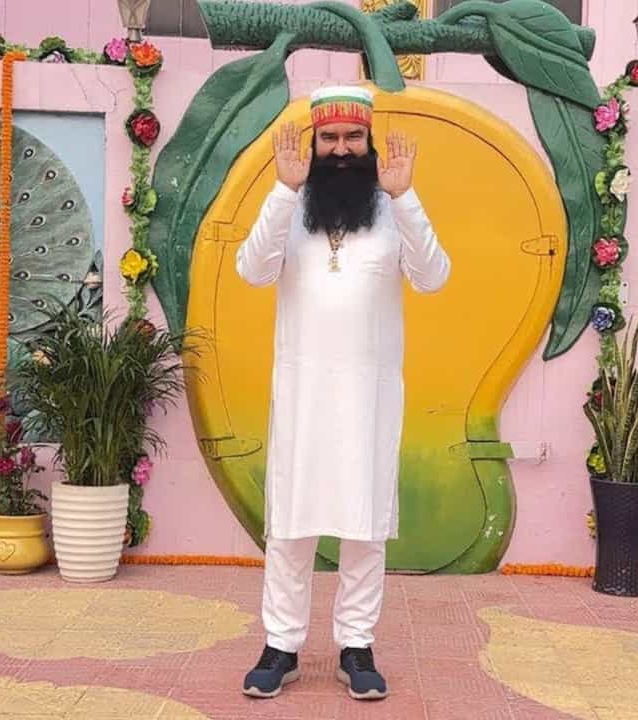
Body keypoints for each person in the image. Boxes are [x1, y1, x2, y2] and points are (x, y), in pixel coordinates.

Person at [234, 85, 450, 701]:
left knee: (364, 528)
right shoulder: (291, 205)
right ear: (314, 143)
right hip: (301, 398)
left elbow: (434, 277)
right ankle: (281, 646)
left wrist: (406, 198)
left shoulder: (392, 208)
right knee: (290, 526)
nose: (341, 149)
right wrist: (282, 190)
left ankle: (357, 646)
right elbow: (251, 269)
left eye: (353, 137)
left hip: (368, 401)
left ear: (369, 141)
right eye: (329, 138)